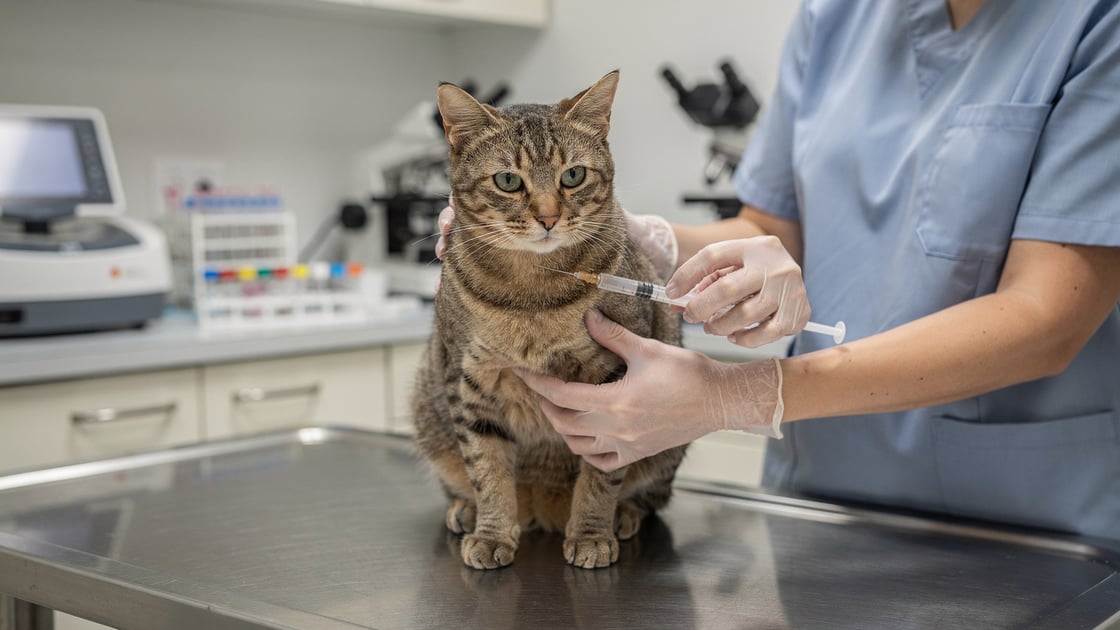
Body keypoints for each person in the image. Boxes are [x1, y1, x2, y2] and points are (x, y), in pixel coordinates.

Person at [439, 0, 1120, 542]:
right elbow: (768, 230)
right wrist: (635, 239)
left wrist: (738, 395)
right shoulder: (836, 16)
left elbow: (1047, 316)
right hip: (817, 494)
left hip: (1024, 523)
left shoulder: (1095, 21)